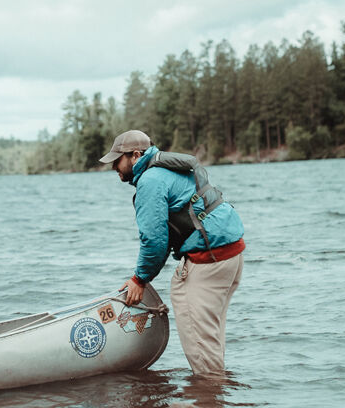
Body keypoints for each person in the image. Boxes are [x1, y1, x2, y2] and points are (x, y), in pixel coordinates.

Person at [100, 130, 245, 376]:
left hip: (208, 260)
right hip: (231, 256)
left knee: (200, 345)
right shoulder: (169, 169)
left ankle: (209, 400)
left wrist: (139, 280)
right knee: (209, 338)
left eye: (117, 159)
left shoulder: (150, 181)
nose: (114, 166)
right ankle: (221, 400)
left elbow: (154, 241)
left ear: (135, 155)